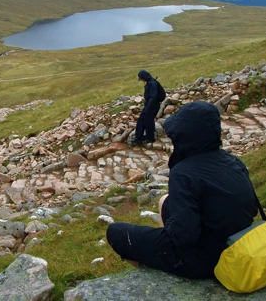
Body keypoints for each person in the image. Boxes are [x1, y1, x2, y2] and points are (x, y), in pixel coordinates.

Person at [107, 101, 258, 279]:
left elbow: (185, 236)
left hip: (206, 262)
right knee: (165, 201)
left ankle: (159, 276)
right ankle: (168, 260)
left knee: (115, 232)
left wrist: (170, 228)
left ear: (185, 136)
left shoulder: (184, 173)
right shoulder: (232, 161)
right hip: (234, 244)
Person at [130, 70, 160, 146]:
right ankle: (139, 138)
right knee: (141, 120)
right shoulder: (149, 83)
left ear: (144, 77)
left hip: (153, 106)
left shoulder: (153, 83)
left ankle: (150, 138)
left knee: (148, 121)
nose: (142, 80)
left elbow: (153, 97)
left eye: (141, 79)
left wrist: (148, 107)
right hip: (149, 105)